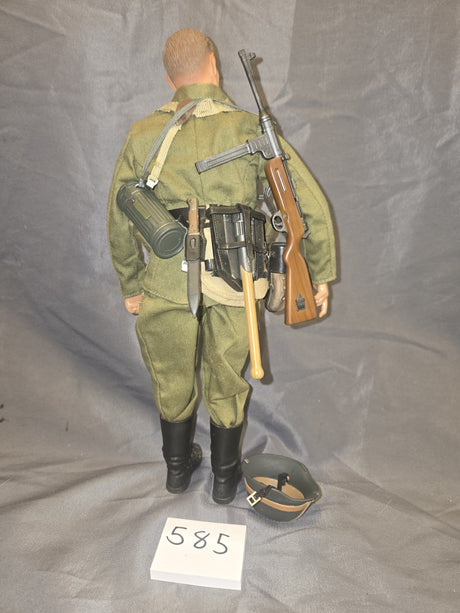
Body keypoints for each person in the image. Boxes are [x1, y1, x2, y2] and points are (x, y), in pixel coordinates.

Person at [107, 29, 336, 504]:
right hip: (239, 276)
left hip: (167, 278)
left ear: (169, 79)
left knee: (171, 374)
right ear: (214, 66)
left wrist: (131, 282)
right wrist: (318, 271)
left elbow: (119, 213)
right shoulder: (248, 128)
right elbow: (307, 202)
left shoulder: (144, 133)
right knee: (227, 378)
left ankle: (176, 471)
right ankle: (225, 479)